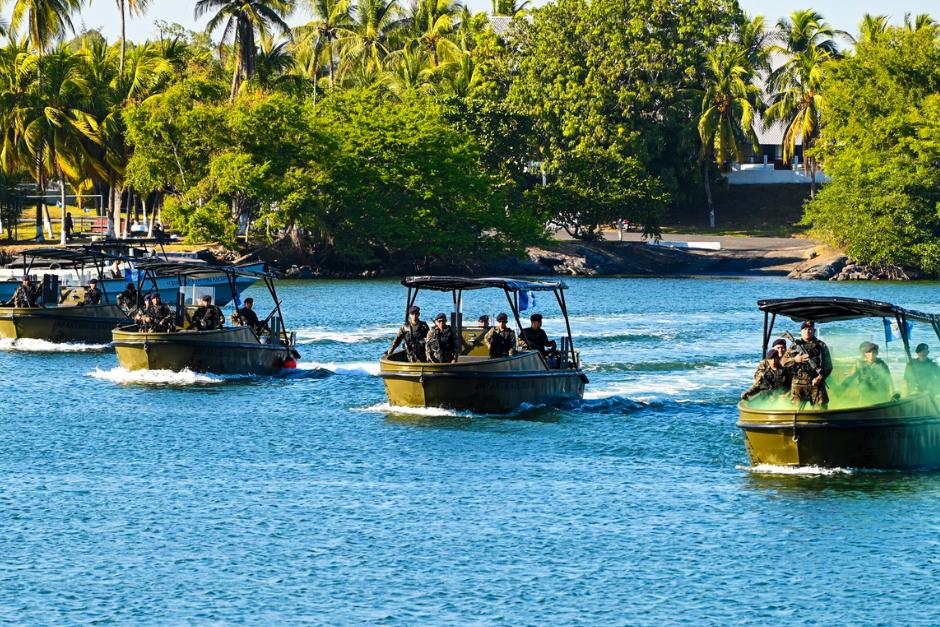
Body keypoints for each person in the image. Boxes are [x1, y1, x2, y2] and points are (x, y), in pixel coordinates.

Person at [781, 320, 833, 406]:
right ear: (801, 331)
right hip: (799, 384)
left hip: (816, 383)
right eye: (805, 329)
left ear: (814, 331)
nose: (807, 331)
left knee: (820, 409)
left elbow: (828, 366)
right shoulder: (795, 345)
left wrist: (819, 378)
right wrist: (795, 359)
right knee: (796, 411)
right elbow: (783, 362)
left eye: (810, 329)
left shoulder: (821, 345)